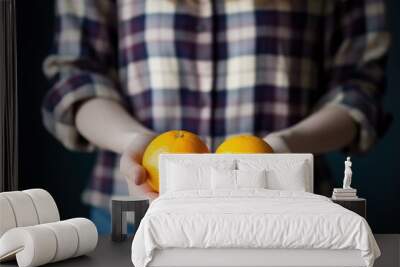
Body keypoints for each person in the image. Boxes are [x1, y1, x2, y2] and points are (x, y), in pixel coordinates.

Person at [42, 0, 390, 234]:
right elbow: (77, 76)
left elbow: (359, 86)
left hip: (288, 213)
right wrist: (134, 142)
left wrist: (286, 146)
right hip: (138, 212)